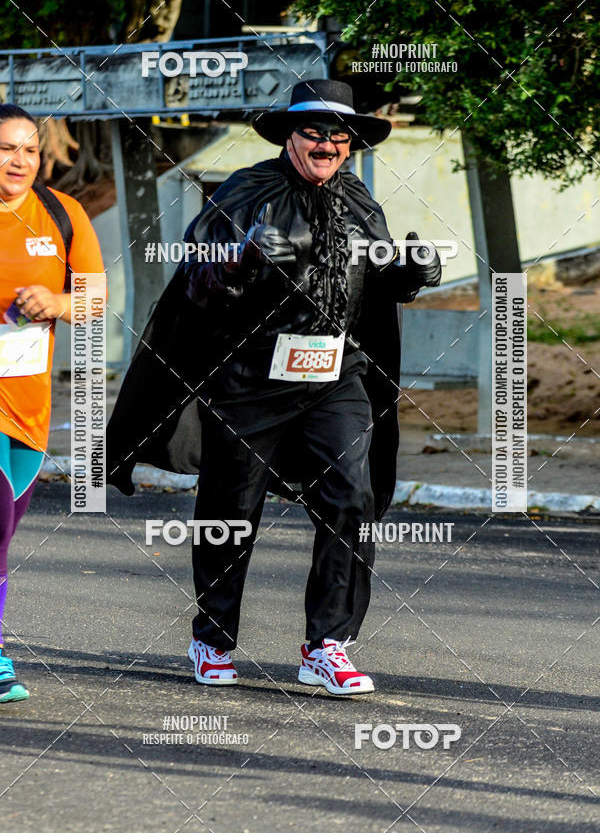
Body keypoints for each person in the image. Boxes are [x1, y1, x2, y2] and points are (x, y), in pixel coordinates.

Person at [107, 79, 440, 695]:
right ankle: (211, 638)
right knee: (231, 512)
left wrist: (409, 275)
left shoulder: (361, 202)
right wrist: (245, 258)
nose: (329, 143)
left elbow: (372, 283)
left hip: (336, 377)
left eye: (341, 135)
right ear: (290, 135)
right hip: (251, 377)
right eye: (314, 131)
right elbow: (199, 279)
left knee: (351, 500)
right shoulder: (247, 190)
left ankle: (327, 645)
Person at [0, 104, 104, 703]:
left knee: (4, 534)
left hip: (29, 405)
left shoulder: (62, 214)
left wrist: (55, 302)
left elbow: (92, 299)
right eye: (7, 148)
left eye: (30, 150)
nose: (20, 161)